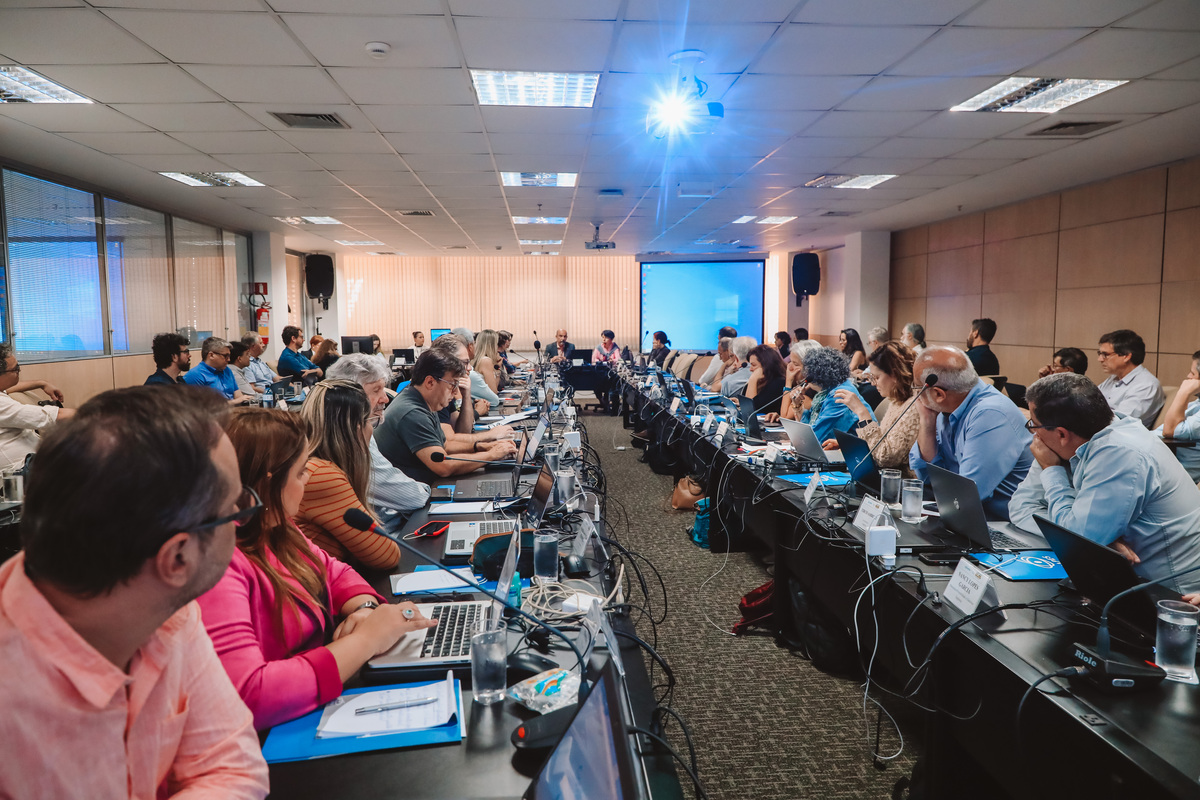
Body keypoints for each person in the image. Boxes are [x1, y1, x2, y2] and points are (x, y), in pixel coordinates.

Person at [1, 386, 269, 798]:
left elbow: (234, 767)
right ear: (177, 558)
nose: (240, 517)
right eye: (237, 506)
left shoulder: (168, 613)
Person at [198, 408, 436, 730]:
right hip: (277, 733)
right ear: (266, 485)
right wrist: (367, 639)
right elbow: (251, 695)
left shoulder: (278, 526)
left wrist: (364, 609)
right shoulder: (219, 567)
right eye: (299, 472)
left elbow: (334, 572)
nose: (308, 477)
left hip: (313, 705)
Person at [1009, 373, 1200, 595]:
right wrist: (1098, 543)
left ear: (1061, 434)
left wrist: (1052, 471)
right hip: (1114, 577)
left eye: (1034, 424)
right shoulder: (1071, 437)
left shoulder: (1120, 453)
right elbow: (1021, 507)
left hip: (1168, 595)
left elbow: (1078, 539)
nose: (1034, 434)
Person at [909, 346, 1032, 520]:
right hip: (968, 516)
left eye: (916, 388)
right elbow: (928, 478)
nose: (915, 395)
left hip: (1005, 524)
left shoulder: (990, 414)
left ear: (938, 394)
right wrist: (927, 423)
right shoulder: (947, 409)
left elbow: (965, 497)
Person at [298, 381, 401, 570]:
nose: (372, 430)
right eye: (370, 421)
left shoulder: (313, 466)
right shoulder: (321, 475)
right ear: (355, 429)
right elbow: (387, 556)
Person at [373, 349, 516, 486]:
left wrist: (481, 446)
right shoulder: (412, 412)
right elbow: (443, 466)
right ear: (430, 382)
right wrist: (491, 455)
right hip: (414, 495)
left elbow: (444, 445)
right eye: (452, 385)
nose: (455, 392)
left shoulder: (424, 401)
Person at [326, 354, 432, 519]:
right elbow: (414, 497)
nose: (385, 399)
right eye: (376, 390)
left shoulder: (363, 425)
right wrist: (427, 489)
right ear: (349, 397)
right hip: (389, 530)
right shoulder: (351, 439)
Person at [821, 342, 919, 475]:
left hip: (898, 482)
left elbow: (885, 458)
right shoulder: (896, 400)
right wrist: (852, 446)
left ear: (895, 375)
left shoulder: (914, 407)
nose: (873, 383)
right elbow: (880, 442)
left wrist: (862, 413)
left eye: (877, 377)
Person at [797, 347, 872, 443]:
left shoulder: (839, 394)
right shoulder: (830, 390)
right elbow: (809, 428)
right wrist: (797, 406)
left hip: (859, 449)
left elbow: (814, 438)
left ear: (814, 377)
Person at [1096, 329, 1164, 429]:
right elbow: (1088, 404)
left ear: (1126, 356)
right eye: (1100, 354)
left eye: (1105, 355)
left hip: (1117, 435)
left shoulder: (1146, 385)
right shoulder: (1113, 379)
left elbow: (1118, 422)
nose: (1100, 359)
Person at [1156, 350, 1200, 480]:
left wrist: (1183, 392)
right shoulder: (1197, 404)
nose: (1188, 376)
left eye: (1193, 373)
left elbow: (1169, 431)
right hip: (1159, 461)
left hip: (1171, 475)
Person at [182, 336, 249, 404]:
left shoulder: (227, 370)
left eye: (229, 356)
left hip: (234, 409)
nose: (229, 359)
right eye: (225, 356)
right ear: (211, 355)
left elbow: (238, 395)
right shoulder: (195, 375)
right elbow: (203, 406)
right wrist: (234, 402)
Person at [771, 340, 822, 422]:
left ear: (810, 368)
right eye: (790, 361)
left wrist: (788, 382)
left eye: (795, 364)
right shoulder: (803, 385)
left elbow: (785, 417)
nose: (789, 367)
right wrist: (778, 416)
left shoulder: (810, 391)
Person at [743, 344, 787, 415]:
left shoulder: (779, 382)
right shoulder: (762, 381)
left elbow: (750, 409)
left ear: (766, 365)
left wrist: (753, 380)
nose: (750, 369)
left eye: (753, 365)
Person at [472, 329, 504, 396]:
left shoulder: (476, 359)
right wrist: (498, 369)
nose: (497, 347)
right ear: (492, 345)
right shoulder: (486, 361)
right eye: (496, 344)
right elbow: (493, 391)